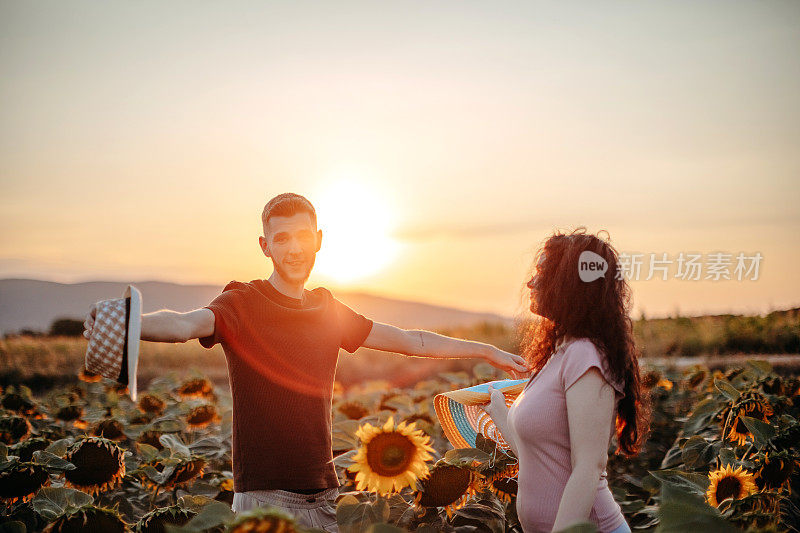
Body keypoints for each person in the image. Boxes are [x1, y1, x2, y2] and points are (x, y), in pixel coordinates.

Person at [83, 192, 529, 533]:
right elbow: (184, 324)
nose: (294, 248)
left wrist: (485, 350)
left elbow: (411, 340)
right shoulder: (243, 301)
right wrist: (128, 321)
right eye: (281, 238)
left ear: (318, 240)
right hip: (264, 498)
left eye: (302, 236)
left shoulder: (328, 310)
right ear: (265, 245)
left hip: (326, 495)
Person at [484, 228, 650, 533]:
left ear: (568, 285)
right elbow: (543, 459)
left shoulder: (585, 355)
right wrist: (501, 416)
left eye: (542, 272)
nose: (530, 282)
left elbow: (589, 467)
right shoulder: (559, 354)